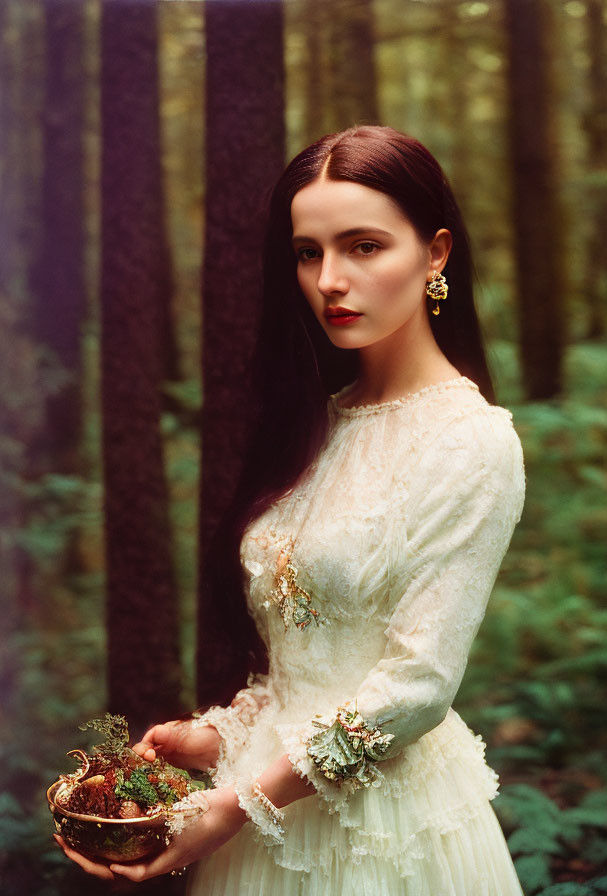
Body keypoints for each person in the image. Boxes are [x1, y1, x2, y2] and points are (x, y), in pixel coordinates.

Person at [56, 125, 526, 894]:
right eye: (309, 252)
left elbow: (416, 689)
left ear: (435, 254)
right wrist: (216, 735)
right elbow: (309, 668)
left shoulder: (470, 443)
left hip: (387, 837)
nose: (330, 280)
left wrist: (235, 807)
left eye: (364, 246)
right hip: (268, 822)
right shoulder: (321, 424)